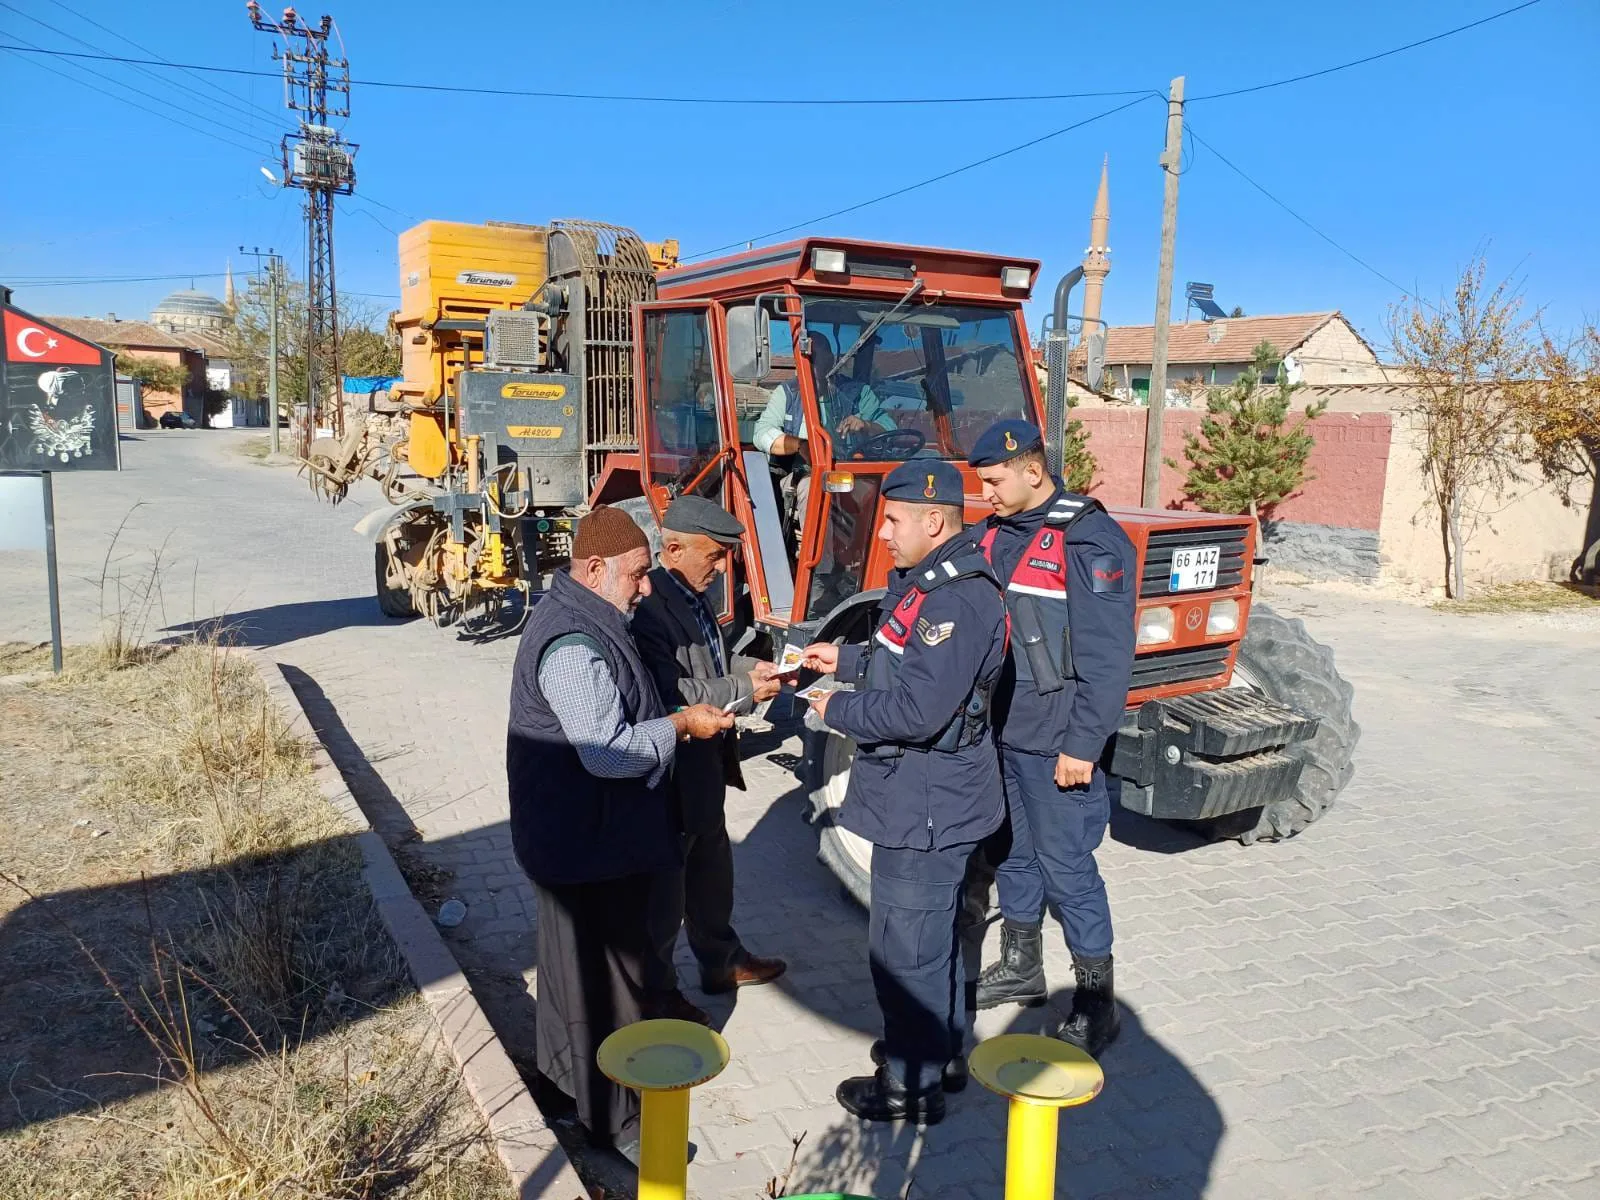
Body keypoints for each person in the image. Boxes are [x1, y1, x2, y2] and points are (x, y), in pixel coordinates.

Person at [506, 505, 733, 1161]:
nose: (644, 587)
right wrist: (683, 727)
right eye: (636, 575)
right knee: (609, 991)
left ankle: (560, 1088)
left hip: (579, 842)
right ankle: (617, 1123)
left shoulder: (592, 618)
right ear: (595, 567)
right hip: (587, 848)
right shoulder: (575, 643)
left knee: (568, 980)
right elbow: (606, 752)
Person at [800, 460, 1008, 1125]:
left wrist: (835, 709)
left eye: (892, 519)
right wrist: (847, 661)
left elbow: (920, 709)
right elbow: (906, 658)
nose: (882, 531)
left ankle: (907, 1088)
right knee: (930, 938)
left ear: (934, 520)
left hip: (927, 803)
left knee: (906, 949)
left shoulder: (955, 597)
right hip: (923, 796)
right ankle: (940, 1054)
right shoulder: (930, 582)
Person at [964, 419, 1137, 1057]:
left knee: (1068, 868)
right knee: (1012, 852)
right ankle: (1021, 965)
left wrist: (1084, 744)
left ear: (1032, 471)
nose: (983, 491)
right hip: (1001, 733)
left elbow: (1108, 657)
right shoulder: (990, 536)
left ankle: (1097, 1002)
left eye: (993, 479)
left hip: (1057, 739)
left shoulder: (1090, 539)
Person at [632, 495, 789, 1019]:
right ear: (673, 548)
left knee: (711, 874)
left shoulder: (693, 596)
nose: (722, 567)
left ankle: (721, 961)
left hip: (705, 767)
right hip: (677, 770)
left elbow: (712, 659)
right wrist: (744, 686)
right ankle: (657, 997)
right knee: (665, 895)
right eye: (714, 555)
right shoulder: (652, 610)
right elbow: (671, 689)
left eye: (725, 556)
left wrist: (759, 667)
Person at [752, 330, 897, 541]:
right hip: (804, 473)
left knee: (889, 489)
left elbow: (890, 429)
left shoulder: (857, 393)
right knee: (812, 488)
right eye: (809, 357)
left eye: (819, 356)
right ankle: (822, 569)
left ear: (832, 359)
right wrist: (800, 445)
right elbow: (762, 432)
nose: (814, 363)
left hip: (856, 473)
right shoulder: (789, 393)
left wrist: (866, 425)